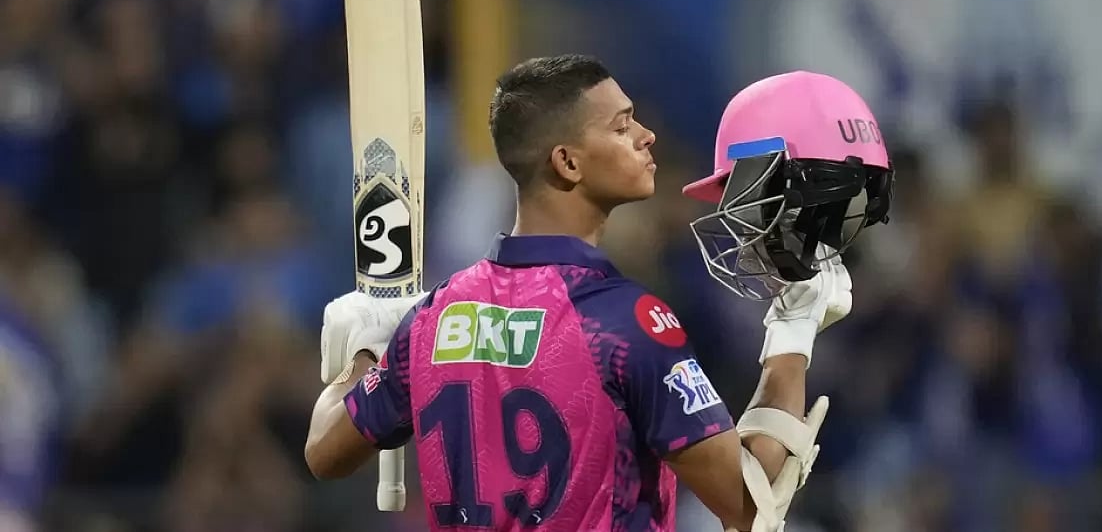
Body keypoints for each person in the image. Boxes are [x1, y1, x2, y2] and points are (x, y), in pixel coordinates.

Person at [305, 57, 894, 531]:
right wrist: (792, 333)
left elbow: (324, 452)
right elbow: (747, 503)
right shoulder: (623, 322)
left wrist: (369, 349)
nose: (646, 136)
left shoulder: (433, 317)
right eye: (621, 125)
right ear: (567, 162)